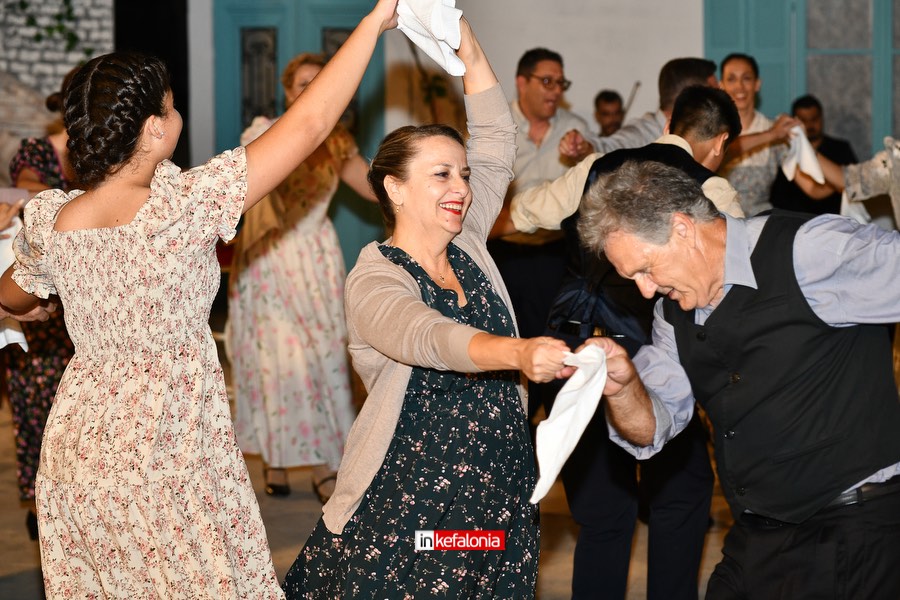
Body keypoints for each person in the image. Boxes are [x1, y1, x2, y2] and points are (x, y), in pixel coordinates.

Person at [0, 1, 400, 596]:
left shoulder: (52, 220)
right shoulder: (186, 208)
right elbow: (312, 124)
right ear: (154, 129)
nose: (177, 114)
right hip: (172, 449)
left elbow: (11, 295)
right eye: (170, 105)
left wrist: (37, 304)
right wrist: (372, 22)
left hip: (80, 452)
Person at [281, 17, 570, 598]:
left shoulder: (468, 242)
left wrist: (464, 42)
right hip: (413, 503)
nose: (460, 187)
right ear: (394, 188)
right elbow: (429, 336)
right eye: (440, 175)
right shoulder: (374, 277)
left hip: (497, 488)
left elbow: (496, 140)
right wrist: (517, 353)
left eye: (462, 174)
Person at [577, 160, 900, 599]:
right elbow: (651, 427)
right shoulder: (670, 314)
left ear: (683, 229)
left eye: (645, 269)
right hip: (757, 533)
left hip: (853, 525)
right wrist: (622, 388)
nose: (645, 290)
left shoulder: (808, 251)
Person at [503, 85, 743, 600]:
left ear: (668, 122)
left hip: (575, 351)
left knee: (602, 512)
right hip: (652, 360)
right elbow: (732, 283)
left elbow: (518, 215)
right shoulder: (713, 191)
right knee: (682, 495)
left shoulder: (596, 167)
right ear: (721, 143)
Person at [227, 51, 376, 502]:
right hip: (269, 259)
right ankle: (277, 457)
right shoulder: (264, 133)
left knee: (324, 357)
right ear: (287, 93)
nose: (311, 91)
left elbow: (372, 186)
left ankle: (328, 462)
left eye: (319, 82)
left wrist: (418, 187)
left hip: (316, 258)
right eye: (302, 85)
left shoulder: (338, 140)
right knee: (276, 359)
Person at [5, 70, 78, 541]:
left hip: (79, 303)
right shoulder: (35, 150)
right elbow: (30, 188)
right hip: (37, 296)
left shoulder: (106, 151)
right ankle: (39, 501)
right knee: (37, 408)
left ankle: (72, 504)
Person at [558, 58, 719, 161]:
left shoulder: (707, 134)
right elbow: (610, 148)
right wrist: (584, 148)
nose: (720, 99)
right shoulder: (643, 134)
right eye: (714, 92)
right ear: (690, 98)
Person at [769, 94, 857, 215]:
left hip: (833, 219)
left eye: (814, 119)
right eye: (804, 120)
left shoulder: (840, 149)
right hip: (791, 219)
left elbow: (854, 183)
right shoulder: (784, 149)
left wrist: (839, 182)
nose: (810, 125)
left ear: (822, 118)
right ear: (795, 121)